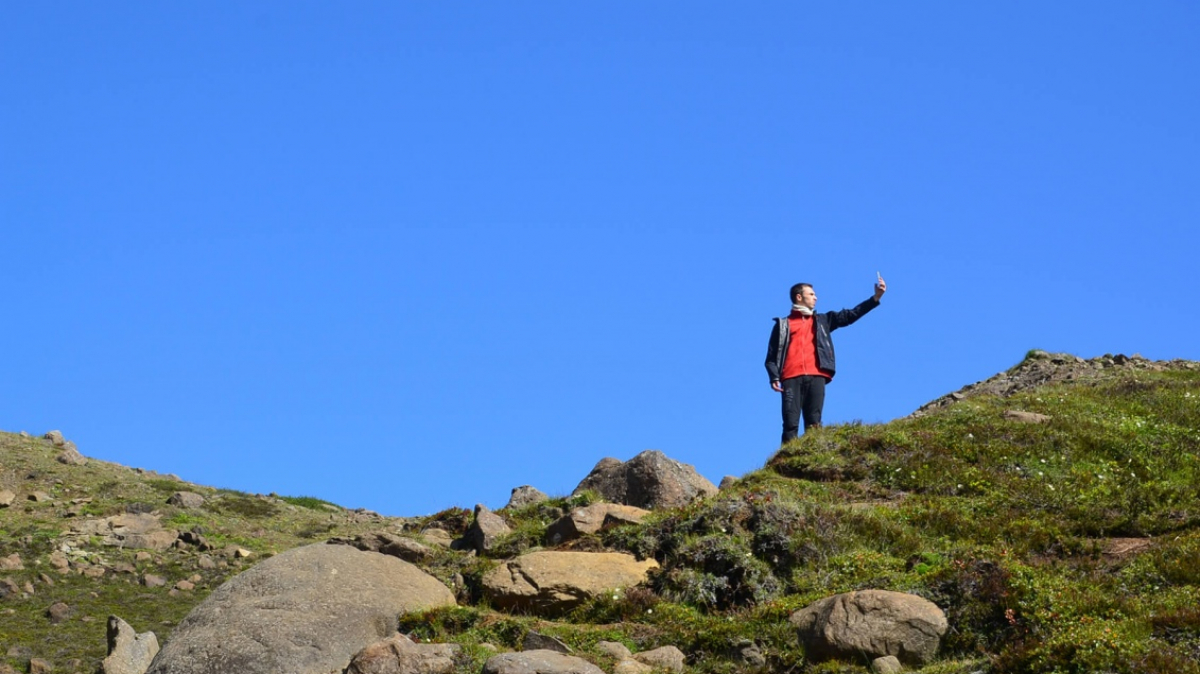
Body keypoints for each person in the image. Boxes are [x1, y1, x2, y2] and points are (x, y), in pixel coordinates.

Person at [765, 276, 887, 443]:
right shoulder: (783, 325)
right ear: (799, 297)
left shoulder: (822, 320)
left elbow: (849, 316)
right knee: (790, 423)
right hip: (790, 377)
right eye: (812, 294)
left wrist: (875, 298)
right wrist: (774, 377)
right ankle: (786, 460)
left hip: (817, 375)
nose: (816, 297)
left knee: (814, 423)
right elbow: (771, 357)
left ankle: (812, 456)